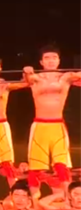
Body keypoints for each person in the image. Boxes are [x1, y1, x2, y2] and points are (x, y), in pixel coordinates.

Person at [22, 45, 81, 175]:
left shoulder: (66, 77)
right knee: (36, 170)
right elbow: (27, 80)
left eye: (54, 57)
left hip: (57, 125)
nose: (51, 60)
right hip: (39, 125)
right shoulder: (36, 77)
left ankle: (64, 189)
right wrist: (27, 72)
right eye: (47, 58)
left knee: (62, 167)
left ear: (59, 60)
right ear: (41, 62)